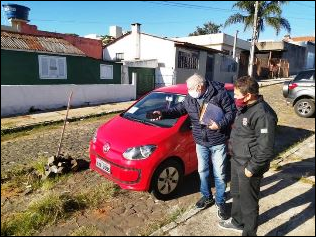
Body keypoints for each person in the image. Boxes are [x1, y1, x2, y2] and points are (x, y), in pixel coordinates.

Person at [148, 74, 236, 220]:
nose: (189, 92)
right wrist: (162, 113)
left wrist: (219, 124)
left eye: (191, 89)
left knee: (220, 174)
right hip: (200, 141)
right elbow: (179, 109)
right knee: (202, 171)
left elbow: (231, 112)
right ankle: (207, 197)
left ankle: (220, 202)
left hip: (218, 140)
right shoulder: (191, 98)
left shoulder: (220, 94)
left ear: (200, 87)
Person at [218, 76, 278, 236]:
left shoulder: (263, 114)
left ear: (249, 95)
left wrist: (251, 168)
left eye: (237, 95)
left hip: (249, 165)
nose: (235, 98)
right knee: (236, 195)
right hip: (237, 160)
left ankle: (249, 233)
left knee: (249, 203)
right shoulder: (245, 107)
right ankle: (237, 222)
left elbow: (265, 148)